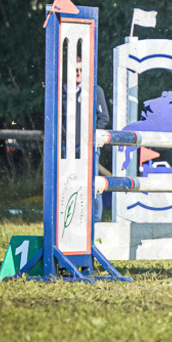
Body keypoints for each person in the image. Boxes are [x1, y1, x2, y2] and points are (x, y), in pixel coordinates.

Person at [62, 57, 111, 221]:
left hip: (88, 146)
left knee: (91, 185)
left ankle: (95, 223)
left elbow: (104, 118)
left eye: (81, 70)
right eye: (75, 69)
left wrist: (90, 138)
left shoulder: (95, 90)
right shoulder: (62, 91)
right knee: (68, 185)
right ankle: (71, 221)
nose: (78, 73)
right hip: (66, 146)